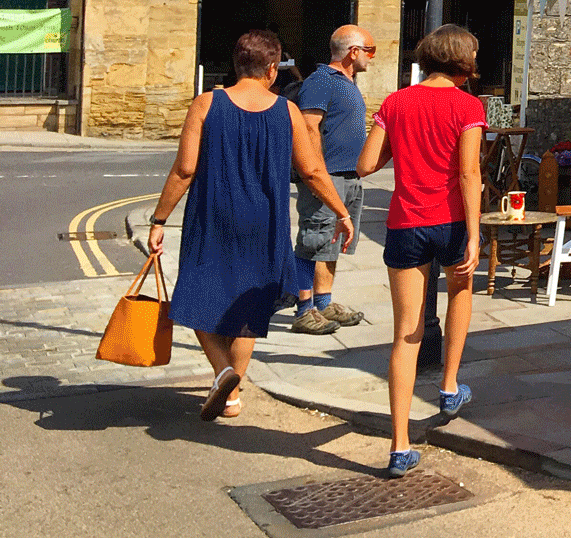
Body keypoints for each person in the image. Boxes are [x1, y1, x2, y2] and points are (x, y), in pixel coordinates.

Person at [146, 29, 353, 422]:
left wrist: (159, 220)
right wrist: (341, 212)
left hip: (212, 218)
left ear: (237, 64)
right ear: (273, 69)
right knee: (249, 308)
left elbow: (185, 169)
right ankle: (234, 394)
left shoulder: (206, 104)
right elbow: (311, 171)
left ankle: (222, 372)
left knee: (193, 296)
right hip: (265, 222)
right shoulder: (287, 111)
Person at [357, 24, 485, 478]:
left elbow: (366, 164)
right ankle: (450, 387)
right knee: (461, 295)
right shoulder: (468, 106)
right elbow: (469, 174)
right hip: (449, 220)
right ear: (463, 61)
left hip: (406, 223)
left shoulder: (395, 102)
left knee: (405, 333)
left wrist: (403, 147)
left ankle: (399, 445)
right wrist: (474, 233)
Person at [288, 24, 376, 334]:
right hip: (326, 177)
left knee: (332, 243)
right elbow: (309, 127)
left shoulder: (346, 82)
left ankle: (323, 303)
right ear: (354, 52)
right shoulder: (321, 81)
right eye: (370, 50)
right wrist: (316, 172)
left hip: (348, 176)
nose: (372, 57)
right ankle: (304, 309)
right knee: (312, 241)